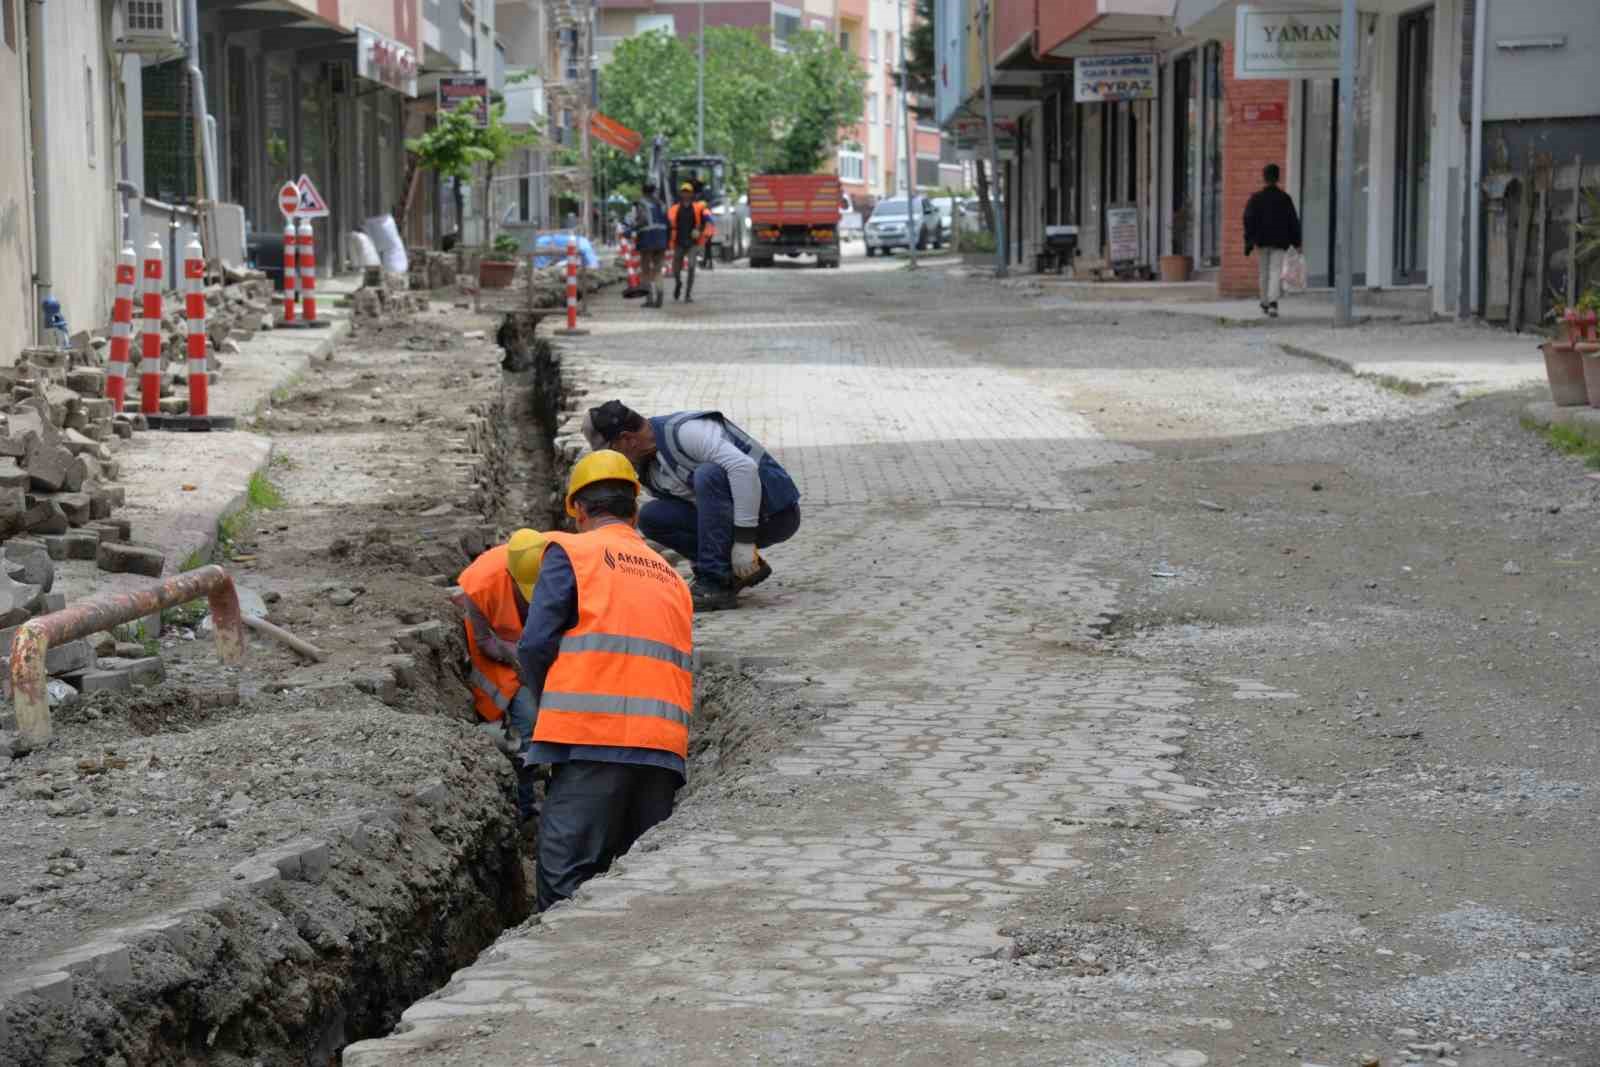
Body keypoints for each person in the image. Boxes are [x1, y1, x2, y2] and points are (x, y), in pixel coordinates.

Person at [516, 451, 695, 912]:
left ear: (577, 509)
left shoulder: (573, 553)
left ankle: (554, 970)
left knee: (563, 876)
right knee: (636, 877)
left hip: (590, 740)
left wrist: (549, 704)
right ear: (635, 510)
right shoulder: (672, 577)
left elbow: (535, 645)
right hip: (662, 750)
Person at [580, 400, 801, 612]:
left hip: (775, 513)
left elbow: (744, 469)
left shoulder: (685, 432)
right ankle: (730, 574)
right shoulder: (647, 466)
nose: (614, 459)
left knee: (708, 474)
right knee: (652, 516)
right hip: (734, 517)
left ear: (627, 439)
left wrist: (744, 540)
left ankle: (714, 582)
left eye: (612, 451)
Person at [454, 528, 547, 823]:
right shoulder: (480, 584)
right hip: (503, 660)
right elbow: (483, 641)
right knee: (527, 724)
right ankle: (526, 807)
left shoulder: (559, 566)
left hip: (543, 651)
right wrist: (517, 657)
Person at [1243, 163, 1302, 319]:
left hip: (1261, 241)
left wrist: (1249, 240)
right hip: (1279, 241)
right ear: (1278, 178)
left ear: (1264, 177)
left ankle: (1264, 302)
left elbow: (1248, 219)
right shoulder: (1285, 199)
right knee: (1275, 271)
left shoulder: (1255, 199)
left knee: (1263, 272)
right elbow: (1293, 222)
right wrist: (1297, 242)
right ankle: (1273, 303)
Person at [629, 182, 669, 308]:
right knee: (658, 270)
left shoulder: (642, 203)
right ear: (653, 191)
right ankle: (660, 297)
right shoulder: (661, 204)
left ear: (643, 191)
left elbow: (642, 219)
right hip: (662, 238)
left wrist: (632, 227)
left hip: (648, 238)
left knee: (645, 271)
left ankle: (650, 299)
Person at [667, 181, 708, 303]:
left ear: (692, 194)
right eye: (683, 191)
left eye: (688, 192)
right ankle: (678, 283)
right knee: (676, 269)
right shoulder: (674, 209)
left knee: (691, 267)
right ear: (680, 193)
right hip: (678, 242)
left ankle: (688, 294)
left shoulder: (698, 208)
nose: (685, 194)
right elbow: (669, 224)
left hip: (692, 243)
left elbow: (704, 222)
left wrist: (698, 230)